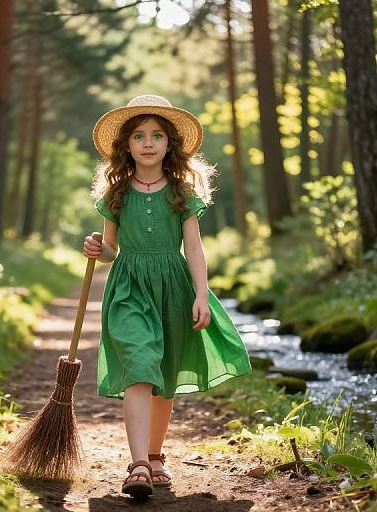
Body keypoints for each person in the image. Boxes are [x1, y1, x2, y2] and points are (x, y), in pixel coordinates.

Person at [83, 95, 252, 499]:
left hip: (173, 287)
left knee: (165, 376)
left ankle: (156, 456)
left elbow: (193, 248)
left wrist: (200, 293)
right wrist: (97, 249)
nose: (147, 142)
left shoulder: (180, 192)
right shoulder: (116, 194)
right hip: (129, 288)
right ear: (126, 146)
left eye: (156, 135)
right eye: (139, 136)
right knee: (139, 364)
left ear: (169, 144)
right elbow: (111, 250)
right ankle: (138, 464)